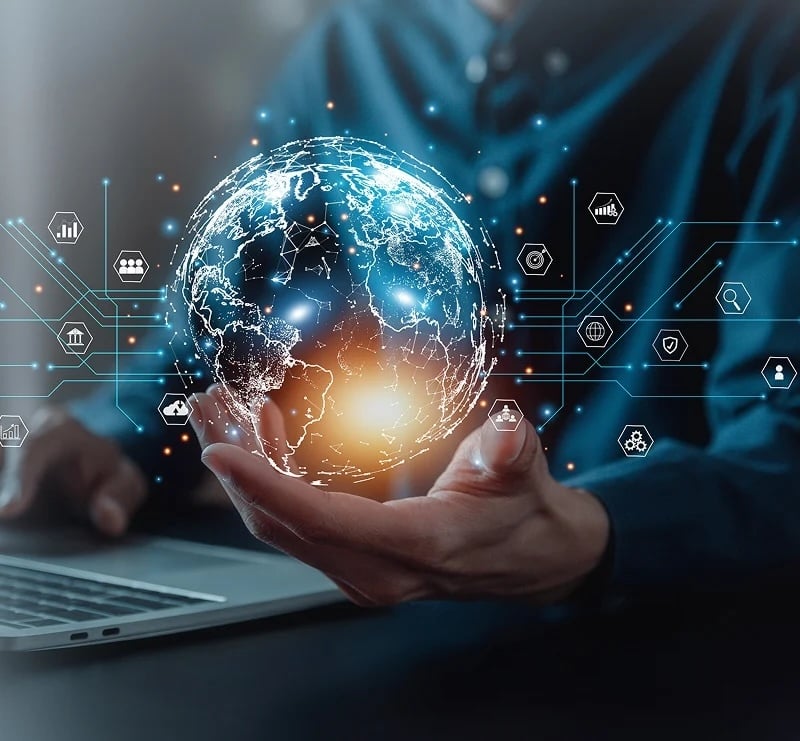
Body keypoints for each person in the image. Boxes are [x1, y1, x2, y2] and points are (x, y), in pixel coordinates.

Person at [0, 0, 798, 607]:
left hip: (694, 646)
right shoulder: (349, 47)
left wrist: (596, 529)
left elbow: (783, 441)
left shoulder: (767, 47)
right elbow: (228, 322)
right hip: (402, 636)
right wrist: (117, 438)